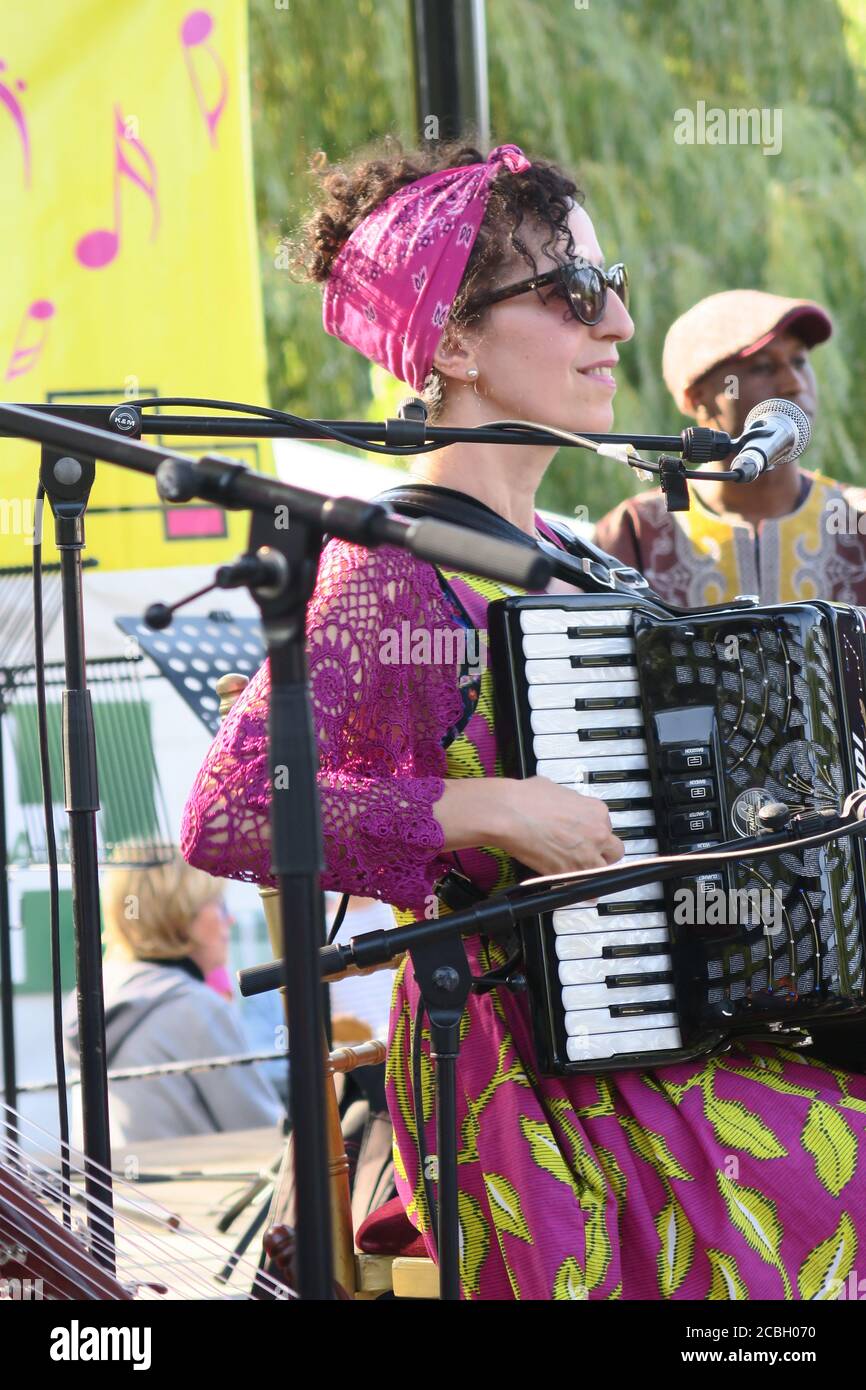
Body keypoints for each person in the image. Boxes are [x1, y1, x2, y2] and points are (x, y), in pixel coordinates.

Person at [180, 139, 866, 1301]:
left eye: (612, 287)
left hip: (648, 1035)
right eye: (574, 291)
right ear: (451, 341)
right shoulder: (387, 562)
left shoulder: (567, 560)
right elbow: (234, 809)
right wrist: (485, 807)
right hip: (533, 1076)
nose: (615, 327)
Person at [594, 289, 866, 606]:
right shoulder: (634, 532)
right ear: (696, 397)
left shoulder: (857, 518)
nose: (795, 384)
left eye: (799, 361)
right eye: (763, 367)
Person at [65, 848, 284, 1147]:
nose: (229, 919)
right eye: (218, 905)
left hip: (114, 1191)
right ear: (180, 915)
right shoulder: (194, 1007)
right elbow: (267, 1136)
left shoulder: (92, 996)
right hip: (205, 1190)